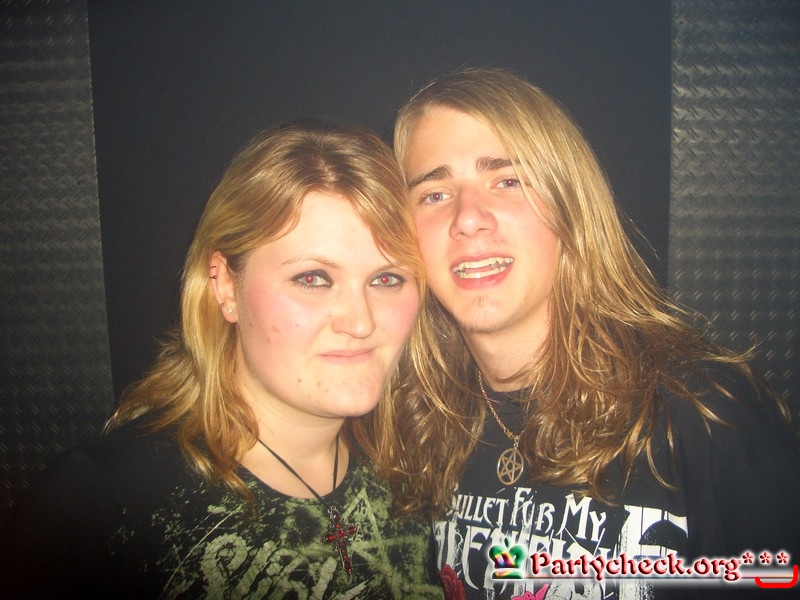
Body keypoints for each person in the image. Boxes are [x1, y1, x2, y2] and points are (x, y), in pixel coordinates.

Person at [362, 68, 800, 599]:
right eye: (434, 193)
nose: (468, 218)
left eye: (508, 181)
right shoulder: (411, 423)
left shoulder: (704, 410)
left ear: (570, 204)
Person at [0, 121, 444, 598]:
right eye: (313, 278)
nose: (360, 322)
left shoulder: (416, 472)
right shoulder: (100, 505)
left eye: (387, 279)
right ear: (226, 286)